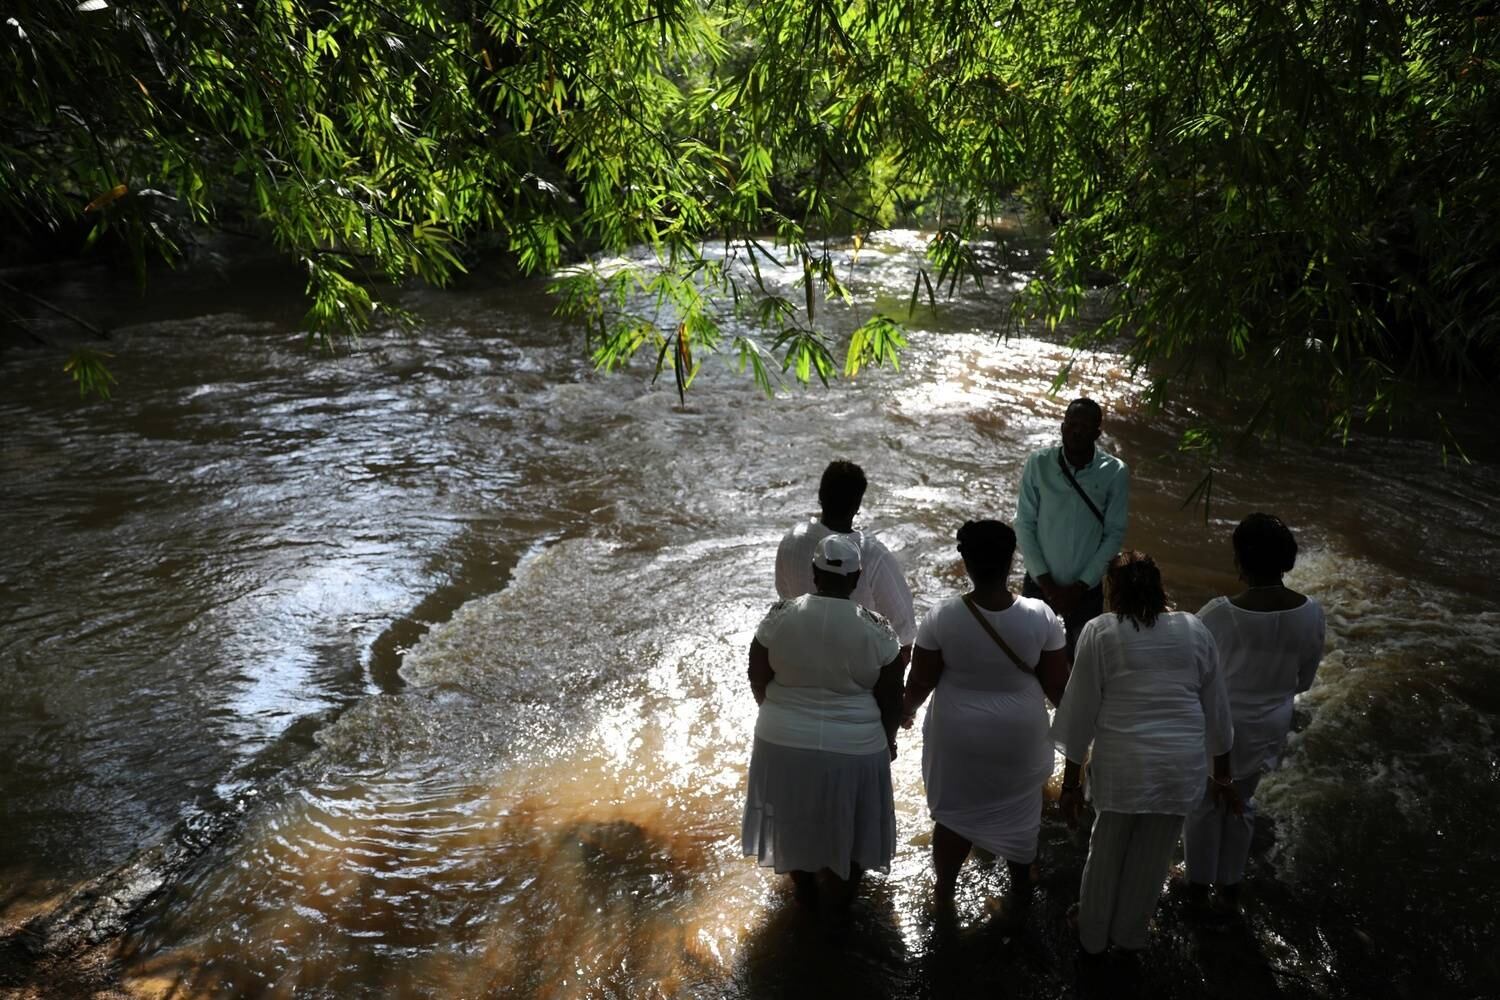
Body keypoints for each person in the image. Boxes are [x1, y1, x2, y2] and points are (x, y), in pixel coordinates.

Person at [1051, 550, 1237, 956]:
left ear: (1111, 593)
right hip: (1179, 766)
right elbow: (1217, 711)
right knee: (1152, 859)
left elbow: (1079, 714)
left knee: (1106, 852)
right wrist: (1222, 776)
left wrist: (1070, 784)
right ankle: (1129, 937)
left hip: (1123, 766)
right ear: (1160, 587)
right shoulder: (1193, 628)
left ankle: (1092, 937)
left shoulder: (1101, 631)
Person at [901, 520, 1069, 914]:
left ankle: (944, 893)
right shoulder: (1041, 615)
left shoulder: (942, 617)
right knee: (1021, 811)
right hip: (1020, 737)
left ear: (966, 562)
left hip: (959, 738)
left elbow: (919, 685)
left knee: (955, 816)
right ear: (1011, 561)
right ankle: (1020, 889)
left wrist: (901, 715)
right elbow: (1059, 690)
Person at [743, 534, 905, 908]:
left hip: (781, 741)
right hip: (856, 748)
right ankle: (842, 906)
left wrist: (777, 714)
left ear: (815, 573)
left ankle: (805, 895)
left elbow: (756, 674)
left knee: (792, 821)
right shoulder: (877, 628)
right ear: (856, 578)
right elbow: (892, 699)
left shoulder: (779, 615)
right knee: (852, 828)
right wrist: (890, 741)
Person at [1183, 513, 1326, 911]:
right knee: (1242, 801)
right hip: (1270, 723)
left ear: (1240, 560)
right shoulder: (1312, 612)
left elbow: (1191, 674)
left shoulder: (1218, 613)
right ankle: (1230, 885)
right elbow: (1305, 680)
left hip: (1220, 727)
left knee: (1204, 804)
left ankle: (1197, 885)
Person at [1016, 398, 1129, 660]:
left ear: (1097, 433)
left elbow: (1114, 534)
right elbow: (1024, 524)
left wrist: (1079, 587)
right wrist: (1046, 584)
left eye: (1085, 426)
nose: (1077, 431)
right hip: (1039, 583)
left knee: (1082, 663)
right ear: (1062, 427)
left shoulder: (1114, 472)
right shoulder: (1039, 464)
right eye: (1072, 424)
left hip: (1086, 589)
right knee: (1027, 659)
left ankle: (1068, 703)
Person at [776, 460, 916, 666]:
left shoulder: (792, 540)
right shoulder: (872, 554)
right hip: (856, 671)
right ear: (857, 505)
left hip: (800, 660)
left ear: (820, 496)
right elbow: (905, 634)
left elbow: (785, 599)